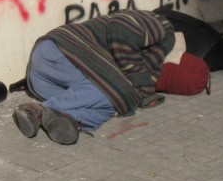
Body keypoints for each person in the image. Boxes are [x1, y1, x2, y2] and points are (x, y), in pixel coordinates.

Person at [13, 9, 176, 145]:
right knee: (117, 93)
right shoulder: (159, 25)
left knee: (111, 107)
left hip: (46, 81)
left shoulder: (155, 41)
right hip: (58, 53)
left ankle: (66, 118)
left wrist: (140, 89)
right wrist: (140, 88)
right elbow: (120, 29)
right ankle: (38, 110)